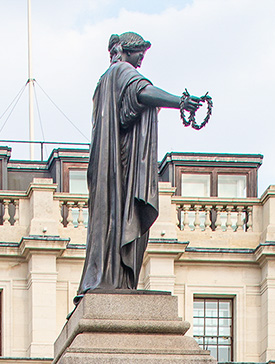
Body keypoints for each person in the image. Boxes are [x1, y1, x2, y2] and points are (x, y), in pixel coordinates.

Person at [76, 32, 203, 298]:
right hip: (122, 167)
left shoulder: (103, 83)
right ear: (125, 51)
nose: (141, 61)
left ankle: (113, 278)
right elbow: (143, 93)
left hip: (112, 166)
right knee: (123, 217)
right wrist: (179, 102)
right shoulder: (121, 71)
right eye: (139, 54)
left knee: (114, 219)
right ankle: (116, 280)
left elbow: (126, 112)